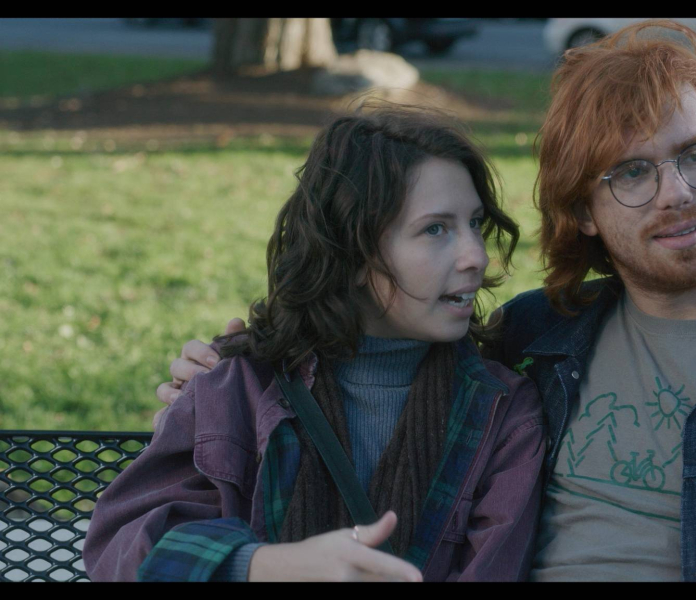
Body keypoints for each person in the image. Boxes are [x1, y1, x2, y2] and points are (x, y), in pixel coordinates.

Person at [157, 21, 696, 581]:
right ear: (582, 212)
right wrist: (217, 374)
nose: (676, 192)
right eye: (631, 173)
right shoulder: (532, 343)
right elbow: (359, 344)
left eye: (695, 155)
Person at [85, 103, 546, 582]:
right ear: (354, 250)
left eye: (475, 223)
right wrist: (264, 567)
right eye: (435, 229)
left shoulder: (502, 414)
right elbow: (124, 550)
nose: (476, 256)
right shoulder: (239, 386)